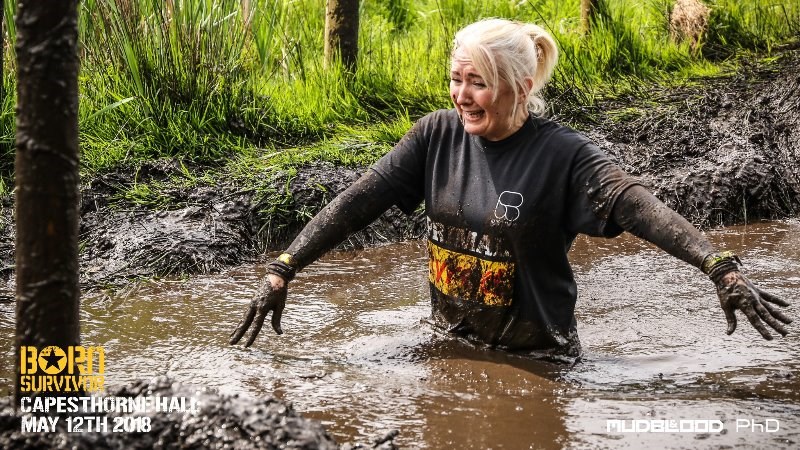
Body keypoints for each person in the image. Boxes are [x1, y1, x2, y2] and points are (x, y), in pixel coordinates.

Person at [230, 19, 791, 362]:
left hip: (540, 360)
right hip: (449, 346)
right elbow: (359, 200)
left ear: (520, 87)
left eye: (478, 82)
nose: (462, 95)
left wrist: (720, 268)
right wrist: (283, 268)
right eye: (456, 78)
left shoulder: (563, 155)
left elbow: (636, 205)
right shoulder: (435, 136)